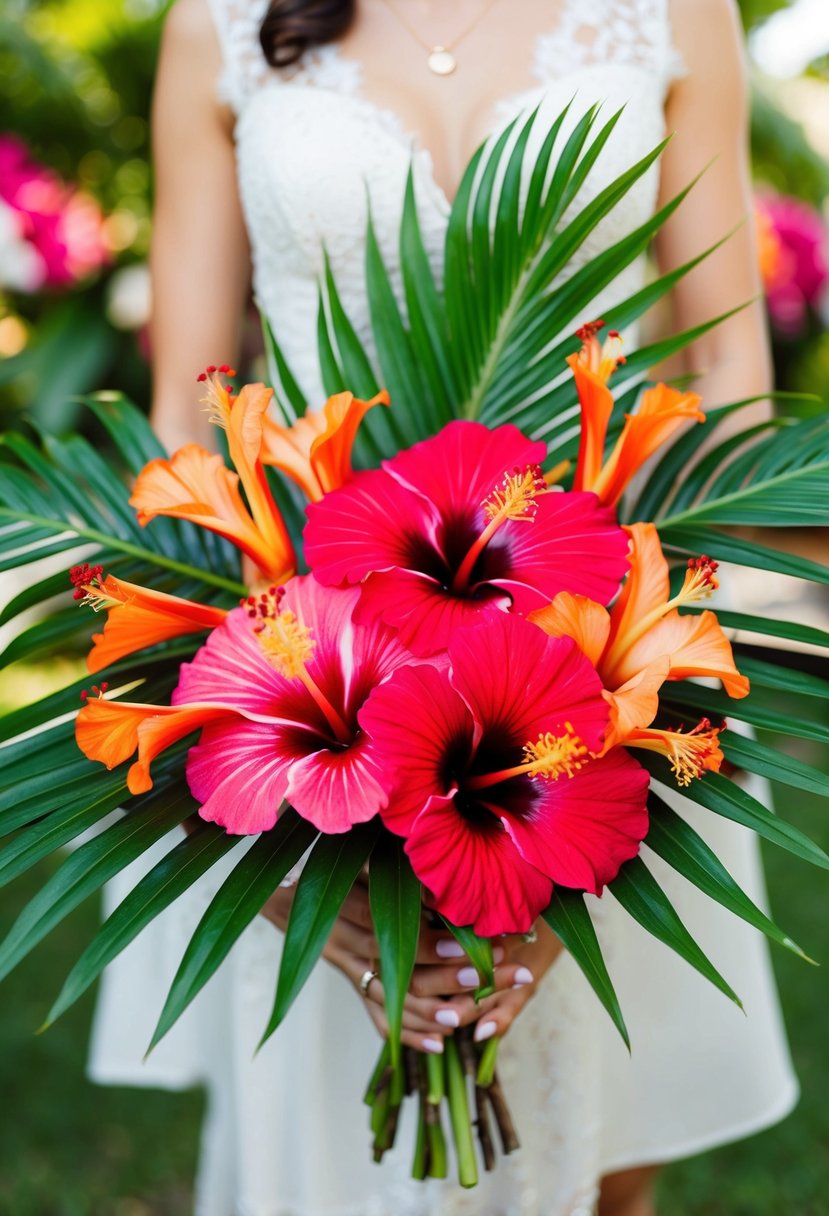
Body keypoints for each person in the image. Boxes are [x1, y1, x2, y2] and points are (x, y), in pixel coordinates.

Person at [88, 1, 798, 1213]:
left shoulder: (673, 10)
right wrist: (254, 770)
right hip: (318, 655)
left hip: (595, 654)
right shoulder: (219, 21)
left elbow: (725, 368)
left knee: (596, 1160)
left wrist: (641, 687)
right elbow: (193, 405)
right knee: (325, 1170)